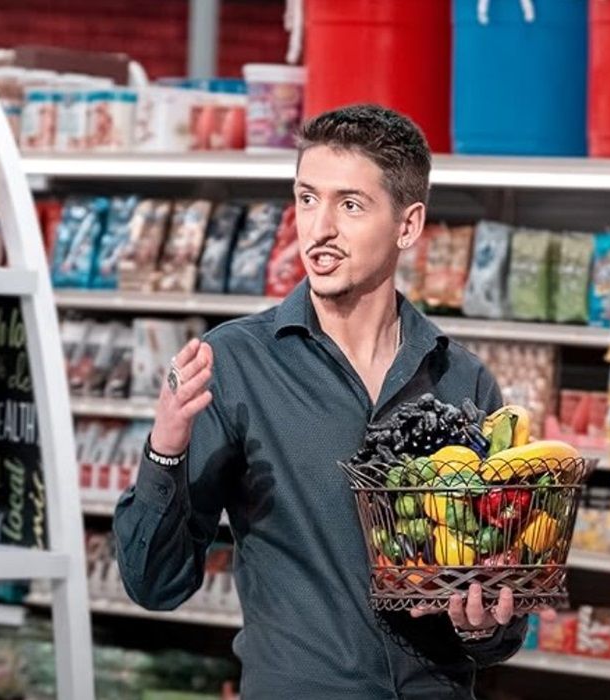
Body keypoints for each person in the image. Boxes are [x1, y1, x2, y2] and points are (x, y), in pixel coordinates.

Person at [113, 104, 527, 698]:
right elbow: (154, 584)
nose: (319, 228)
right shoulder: (235, 365)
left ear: (407, 226)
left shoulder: (461, 380)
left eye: (349, 205)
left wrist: (487, 625)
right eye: (307, 198)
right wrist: (166, 450)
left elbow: (501, 617)